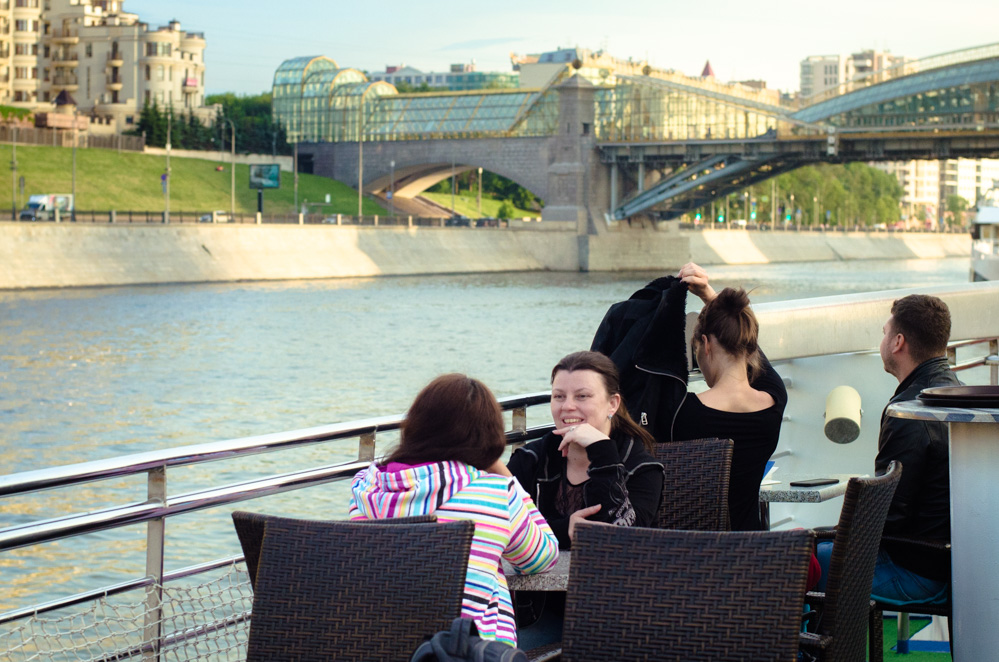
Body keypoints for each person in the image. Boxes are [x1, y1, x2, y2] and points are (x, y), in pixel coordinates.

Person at [348, 373, 559, 647]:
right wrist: (507, 477)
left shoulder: (365, 488)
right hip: (469, 649)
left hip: (384, 643)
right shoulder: (493, 492)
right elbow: (540, 558)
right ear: (487, 434)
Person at [815, 294, 957, 604]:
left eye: (884, 332)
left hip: (920, 572)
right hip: (954, 563)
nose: (882, 341)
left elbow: (887, 515)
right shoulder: (954, 390)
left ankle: (811, 651)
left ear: (898, 342)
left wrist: (835, 533)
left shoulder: (909, 412)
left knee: (803, 561)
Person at [507, 351, 664, 550]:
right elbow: (500, 525)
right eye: (559, 396)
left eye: (582, 396)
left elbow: (623, 539)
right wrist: (565, 530)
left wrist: (603, 451)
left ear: (612, 404)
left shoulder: (642, 468)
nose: (568, 406)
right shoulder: (531, 459)